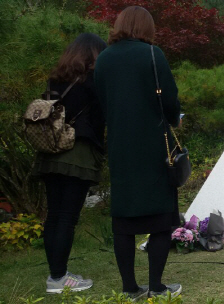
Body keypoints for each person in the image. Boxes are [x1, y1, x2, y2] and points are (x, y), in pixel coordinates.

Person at [93, 6, 182, 300]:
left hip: (120, 145)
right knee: (160, 217)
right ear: (147, 28)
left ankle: (129, 287)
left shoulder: (104, 58)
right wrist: (174, 118)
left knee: (124, 220)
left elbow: (101, 102)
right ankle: (156, 286)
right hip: (153, 145)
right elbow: (170, 100)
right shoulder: (152, 54)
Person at [32, 33, 107, 293]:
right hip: (78, 153)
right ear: (95, 54)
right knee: (67, 217)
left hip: (51, 151)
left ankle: (56, 273)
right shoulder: (93, 80)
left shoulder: (58, 78)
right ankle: (59, 278)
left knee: (54, 216)